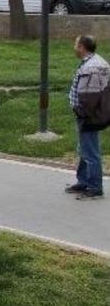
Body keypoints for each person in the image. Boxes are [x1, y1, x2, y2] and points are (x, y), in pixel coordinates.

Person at [66, 35, 110, 200]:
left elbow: (89, 96)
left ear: (82, 47)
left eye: (76, 44)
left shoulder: (91, 67)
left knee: (91, 152)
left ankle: (95, 187)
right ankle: (84, 181)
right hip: (93, 113)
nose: (74, 47)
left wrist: (81, 112)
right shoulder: (96, 62)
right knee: (84, 149)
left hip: (89, 115)